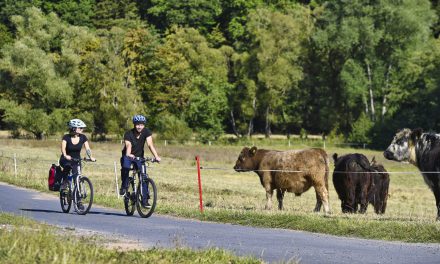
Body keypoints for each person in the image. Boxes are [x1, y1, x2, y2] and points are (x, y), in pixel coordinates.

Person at [120, 114, 161, 208]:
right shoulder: (128, 133)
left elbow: (150, 145)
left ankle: (145, 200)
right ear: (134, 125)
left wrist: (156, 156)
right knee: (126, 167)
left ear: (144, 125)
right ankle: (124, 186)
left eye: (142, 125)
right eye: (138, 124)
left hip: (139, 157)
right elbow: (128, 145)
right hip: (128, 155)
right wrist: (129, 154)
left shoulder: (146, 132)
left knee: (143, 176)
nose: (140, 126)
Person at [60, 119, 96, 209]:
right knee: (67, 167)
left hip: (76, 160)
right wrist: (65, 155)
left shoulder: (83, 137)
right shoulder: (66, 137)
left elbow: (87, 148)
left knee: (77, 178)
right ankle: (64, 184)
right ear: (74, 128)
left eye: (82, 128)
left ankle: (79, 201)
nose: (82, 130)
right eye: (80, 128)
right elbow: (63, 148)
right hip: (66, 159)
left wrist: (90, 156)